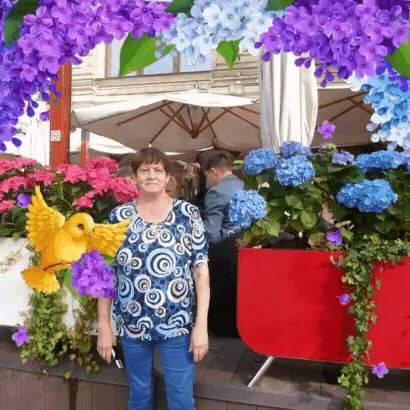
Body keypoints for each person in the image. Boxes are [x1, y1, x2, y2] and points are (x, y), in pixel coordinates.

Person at [97, 148, 210, 410]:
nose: (151, 175)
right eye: (144, 170)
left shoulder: (187, 214)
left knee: (182, 400)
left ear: (168, 177)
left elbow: (201, 272)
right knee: (139, 397)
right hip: (132, 324)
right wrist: (104, 326)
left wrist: (201, 325)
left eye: (158, 170)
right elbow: (107, 275)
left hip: (177, 324)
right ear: (134, 177)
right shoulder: (119, 217)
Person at [202, 151, 244, 337]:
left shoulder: (216, 192)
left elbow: (212, 233)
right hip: (247, 247)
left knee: (222, 292)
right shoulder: (245, 186)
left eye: (207, 176)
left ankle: (223, 329)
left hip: (224, 250)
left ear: (213, 172)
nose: (208, 180)